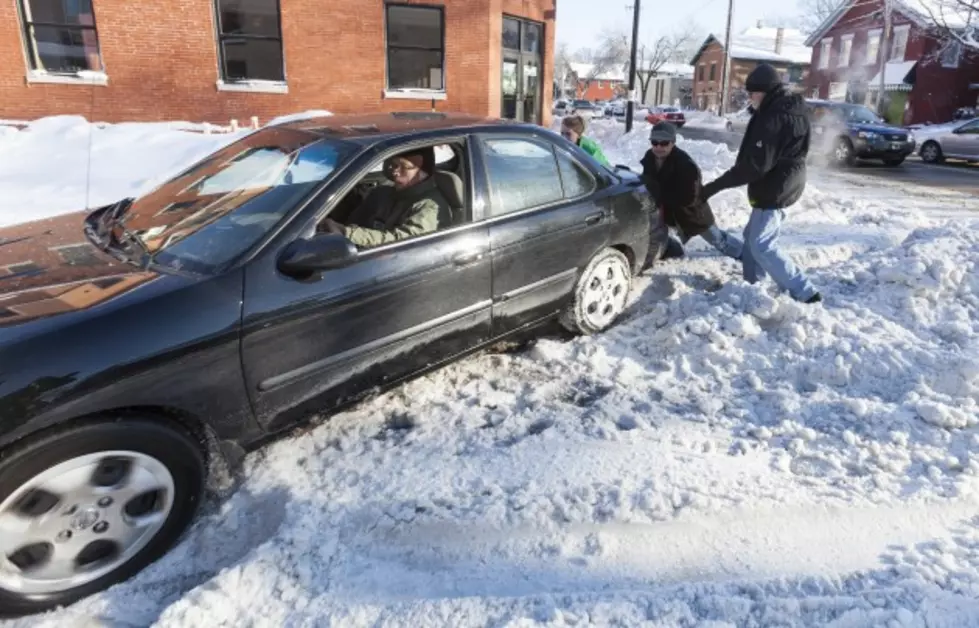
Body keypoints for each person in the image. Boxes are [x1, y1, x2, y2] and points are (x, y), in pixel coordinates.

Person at [701, 63, 822, 304]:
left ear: (765, 91)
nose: (750, 97)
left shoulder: (774, 117)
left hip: (775, 187)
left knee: (761, 244)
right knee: (752, 236)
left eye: (753, 92)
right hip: (783, 182)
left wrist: (713, 187)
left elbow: (754, 166)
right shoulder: (785, 109)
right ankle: (754, 284)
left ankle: (805, 292)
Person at [639, 121, 743, 264]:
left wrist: (660, 196)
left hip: (693, 214)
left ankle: (743, 254)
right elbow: (648, 180)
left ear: (673, 142)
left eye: (664, 143)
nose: (658, 147)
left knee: (718, 240)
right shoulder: (650, 157)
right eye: (655, 142)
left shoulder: (685, 165)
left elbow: (689, 197)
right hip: (669, 212)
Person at [320, 147, 451, 248]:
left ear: (422, 172)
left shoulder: (429, 208)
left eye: (404, 166)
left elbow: (401, 243)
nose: (395, 171)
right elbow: (355, 221)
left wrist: (347, 233)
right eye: (393, 165)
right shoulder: (382, 194)